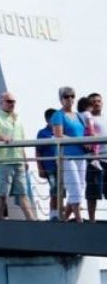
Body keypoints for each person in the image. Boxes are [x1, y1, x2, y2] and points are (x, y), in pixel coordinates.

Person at [0, 91, 36, 221]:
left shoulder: (18, 119)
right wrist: (2, 137)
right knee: (2, 194)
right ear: (1, 102)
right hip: (3, 162)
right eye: (8, 101)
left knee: (23, 193)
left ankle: (32, 221)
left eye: (13, 101)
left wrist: (25, 159)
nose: (11, 104)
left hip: (18, 161)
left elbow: (21, 141)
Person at [50, 86, 87, 223]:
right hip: (66, 155)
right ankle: (79, 220)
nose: (70, 98)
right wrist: (79, 141)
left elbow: (85, 133)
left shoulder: (79, 116)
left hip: (81, 155)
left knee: (80, 186)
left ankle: (64, 219)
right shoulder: (58, 115)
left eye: (72, 96)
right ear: (61, 99)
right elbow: (58, 135)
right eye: (66, 96)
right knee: (74, 187)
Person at [36, 108, 61, 220]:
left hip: (62, 167)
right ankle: (53, 216)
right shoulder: (42, 133)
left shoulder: (60, 131)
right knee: (54, 191)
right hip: (50, 167)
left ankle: (60, 215)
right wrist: (40, 168)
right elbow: (38, 151)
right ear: (48, 120)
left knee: (61, 192)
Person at [85, 92, 106, 222]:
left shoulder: (105, 118)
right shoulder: (87, 118)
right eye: (93, 101)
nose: (96, 103)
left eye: (98, 101)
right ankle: (92, 220)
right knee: (93, 191)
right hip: (94, 159)